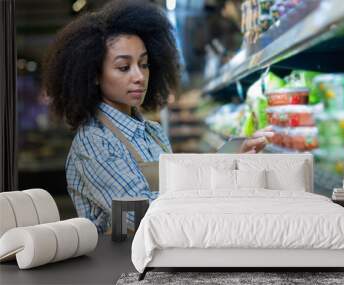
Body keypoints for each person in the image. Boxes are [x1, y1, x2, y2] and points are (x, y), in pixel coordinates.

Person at [42, 0, 270, 233]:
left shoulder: (152, 131)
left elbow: (177, 184)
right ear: (94, 75)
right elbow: (144, 215)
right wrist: (217, 187)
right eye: (123, 67)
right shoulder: (94, 143)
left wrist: (229, 156)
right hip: (125, 264)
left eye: (144, 64)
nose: (139, 76)